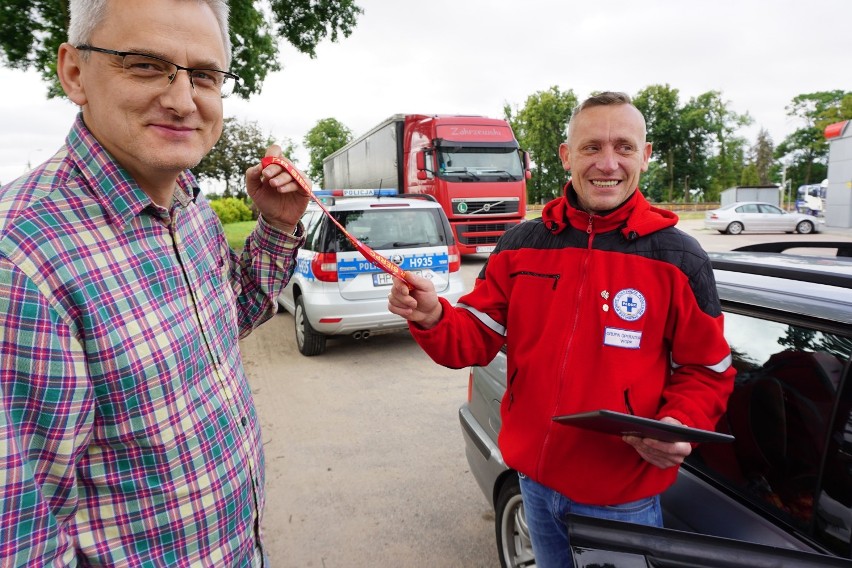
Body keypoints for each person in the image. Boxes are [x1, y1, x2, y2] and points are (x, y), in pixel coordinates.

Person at [0, 0, 310, 565]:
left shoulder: (187, 200)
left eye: (205, 76)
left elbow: (230, 316)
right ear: (74, 72)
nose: (182, 99)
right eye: (144, 64)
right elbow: (21, 535)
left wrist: (278, 224)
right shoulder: (23, 261)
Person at [388, 92, 735, 567]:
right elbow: (473, 336)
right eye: (591, 147)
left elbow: (708, 370)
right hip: (533, 484)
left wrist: (680, 424)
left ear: (646, 156)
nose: (607, 162)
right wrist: (432, 316)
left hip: (622, 501)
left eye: (624, 147)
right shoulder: (520, 246)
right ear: (566, 155)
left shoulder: (679, 258)